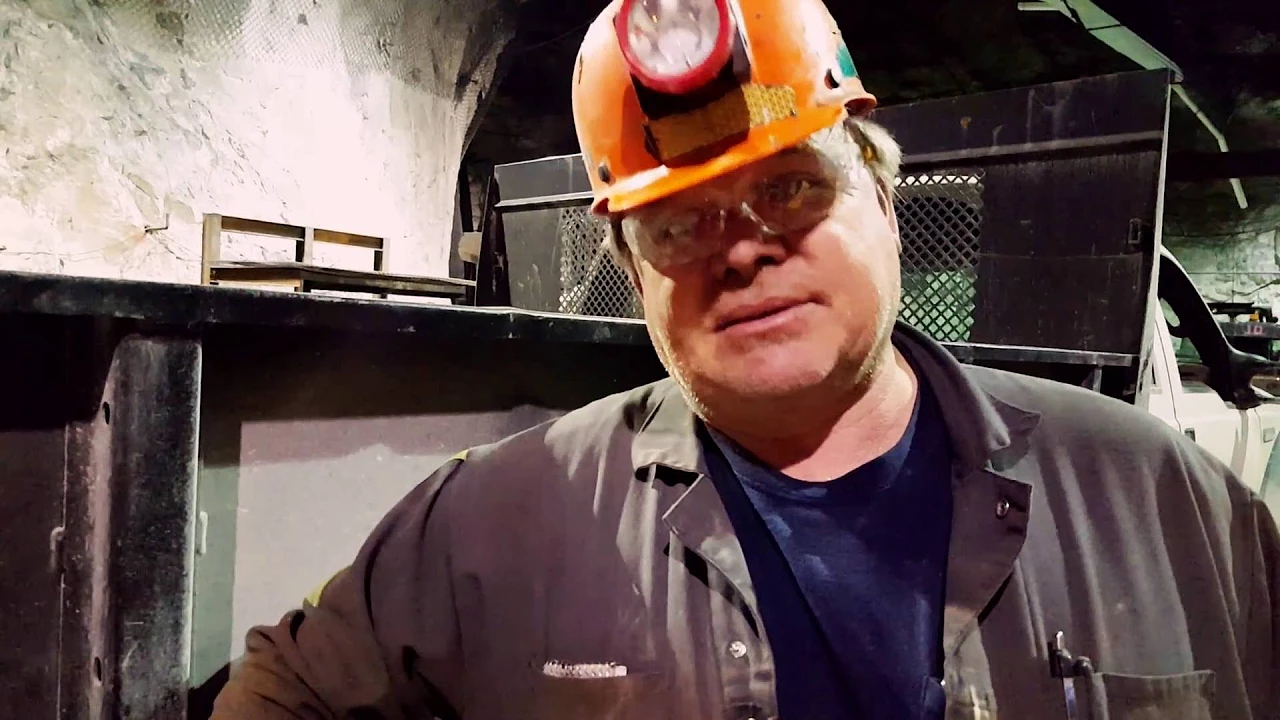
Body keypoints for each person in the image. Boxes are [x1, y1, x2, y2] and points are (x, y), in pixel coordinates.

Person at [213, 0, 1280, 717]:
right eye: (678, 222)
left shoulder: (1162, 501)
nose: (740, 248)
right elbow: (284, 691)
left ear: (884, 202)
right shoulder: (497, 518)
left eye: (791, 187)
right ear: (632, 272)